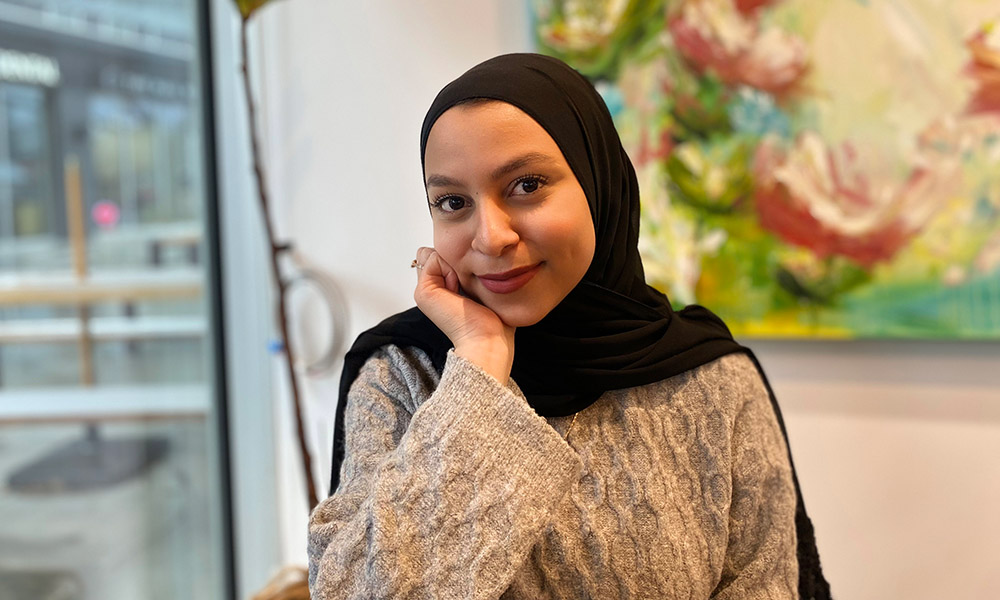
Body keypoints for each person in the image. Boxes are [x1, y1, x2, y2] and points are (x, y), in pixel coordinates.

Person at [308, 53, 831, 600]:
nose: (490, 237)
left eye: (527, 185)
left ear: (597, 183)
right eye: (453, 202)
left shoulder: (713, 382)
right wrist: (479, 373)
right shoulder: (402, 375)